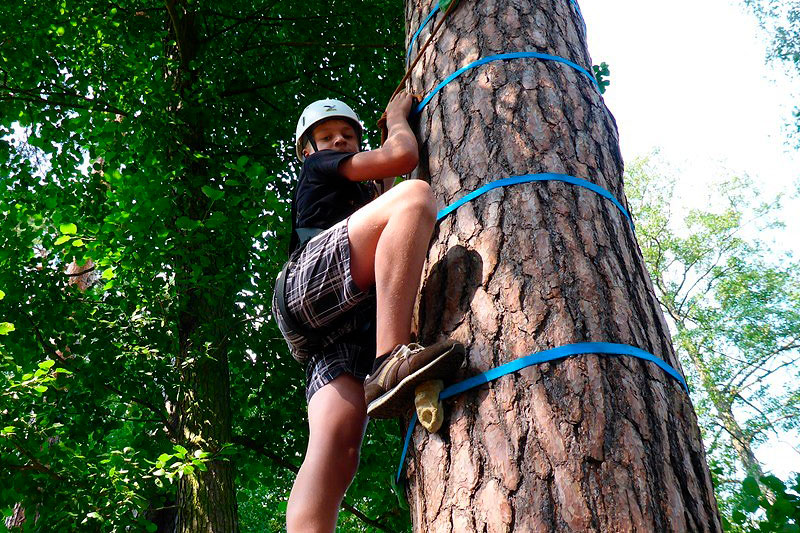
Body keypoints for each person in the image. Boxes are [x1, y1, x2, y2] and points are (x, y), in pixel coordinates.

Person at [271, 93, 465, 532]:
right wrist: (398, 118)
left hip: (342, 323)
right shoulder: (318, 168)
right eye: (326, 137)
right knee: (416, 197)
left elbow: (391, 230)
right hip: (308, 287)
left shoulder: (357, 194)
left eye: (348, 135)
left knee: (337, 450)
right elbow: (402, 158)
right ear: (308, 149)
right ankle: (389, 357)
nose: (339, 141)